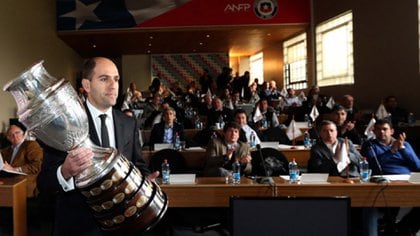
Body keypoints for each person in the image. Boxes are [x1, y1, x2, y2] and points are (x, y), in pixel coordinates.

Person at [37, 57, 158, 236]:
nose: (113, 85)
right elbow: (44, 183)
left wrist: (145, 181)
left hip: (123, 225)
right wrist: (65, 171)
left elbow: (138, 165)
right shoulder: (65, 123)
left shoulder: (128, 123)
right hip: (79, 226)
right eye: (104, 79)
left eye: (116, 79)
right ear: (86, 85)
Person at [361, 119, 420, 235]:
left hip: (406, 180)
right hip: (382, 181)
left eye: (384, 129)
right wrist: (392, 150)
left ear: (392, 131)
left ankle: (405, 228)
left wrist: (402, 149)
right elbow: (374, 165)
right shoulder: (370, 145)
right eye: (378, 129)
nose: (381, 132)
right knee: (370, 207)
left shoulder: (405, 144)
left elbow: (417, 165)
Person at [1, 124, 43, 198]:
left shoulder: (31, 145)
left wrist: (15, 169)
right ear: (8, 138)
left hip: (24, 184)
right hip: (6, 183)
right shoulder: (6, 151)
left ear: (23, 134)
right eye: (11, 134)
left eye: (17, 133)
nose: (14, 136)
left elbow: (37, 166)